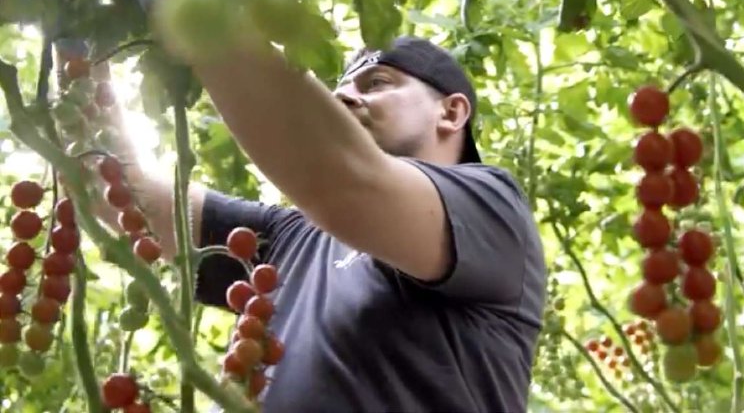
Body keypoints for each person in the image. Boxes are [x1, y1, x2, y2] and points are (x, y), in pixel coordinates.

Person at [96, 35, 547, 413]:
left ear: (450, 113)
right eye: (341, 88)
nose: (345, 96)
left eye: (378, 83)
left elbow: (342, 178)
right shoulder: (294, 239)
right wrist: (80, 58)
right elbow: (132, 198)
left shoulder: (491, 205)